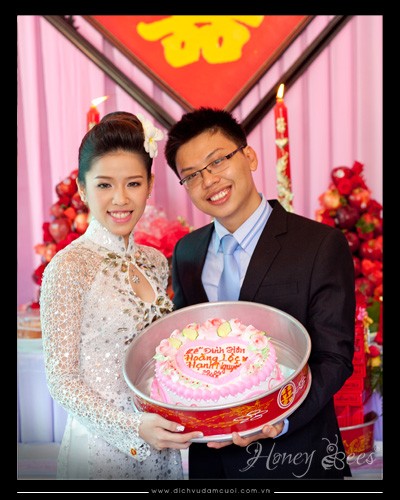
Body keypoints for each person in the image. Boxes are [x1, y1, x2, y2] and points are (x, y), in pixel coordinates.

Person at [164, 107, 355, 480]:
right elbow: (184, 350)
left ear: (249, 157)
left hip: (296, 458)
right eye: (192, 175)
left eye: (217, 161)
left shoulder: (319, 244)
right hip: (211, 465)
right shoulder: (187, 252)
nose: (209, 180)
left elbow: (334, 358)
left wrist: (278, 420)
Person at [40, 111, 202, 480]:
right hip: (100, 451)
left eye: (133, 183)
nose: (120, 199)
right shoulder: (69, 267)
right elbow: (62, 381)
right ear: (82, 188)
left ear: (149, 184)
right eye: (104, 185)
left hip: (160, 444)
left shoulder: (155, 262)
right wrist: (133, 427)